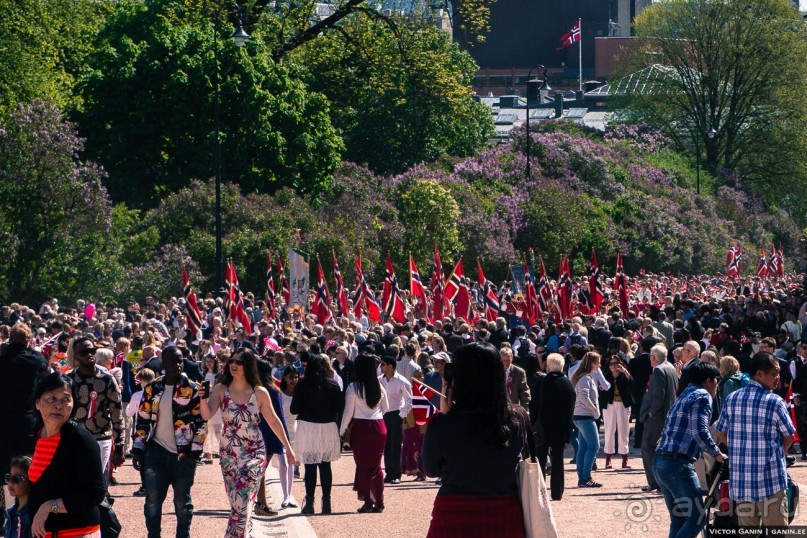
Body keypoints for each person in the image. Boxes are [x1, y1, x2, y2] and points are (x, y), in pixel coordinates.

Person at [421, 342, 526, 537]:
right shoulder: (515, 419)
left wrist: (445, 414)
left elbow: (430, 469)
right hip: (503, 513)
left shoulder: (442, 424)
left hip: (454, 514)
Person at [200, 348, 295, 537]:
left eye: (239, 362)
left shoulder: (259, 392)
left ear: (248, 365)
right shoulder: (220, 389)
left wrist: (289, 449)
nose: (234, 365)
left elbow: (274, 422)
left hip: (254, 453)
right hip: (228, 454)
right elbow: (206, 414)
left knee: (242, 503)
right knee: (237, 504)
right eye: (232, 361)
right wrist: (203, 398)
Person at [132, 346, 207, 538]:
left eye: (180, 360)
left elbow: (201, 423)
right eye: (173, 361)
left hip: (184, 456)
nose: (177, 364)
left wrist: (194, 454)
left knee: (182, 503)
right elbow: (142, 420)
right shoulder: (152, 388)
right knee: (153, 501)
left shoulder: (192, 389)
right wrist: (138, 449)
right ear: (163, 363)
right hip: (156, 453)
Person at [716, 352, 796, 528]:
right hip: (771, 481)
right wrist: (781, 451)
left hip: (741, 482)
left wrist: (738, 449)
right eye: (774, 373)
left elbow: (720, 432)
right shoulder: (774, 402)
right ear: (760, 374)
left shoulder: (732, 399)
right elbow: (789, 436)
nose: (778, 378)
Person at [28, 373, 106, 538]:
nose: (58, 405)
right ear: (37, 403)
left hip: (78, 531)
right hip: (43, 532)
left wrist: (50, 506)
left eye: (65, 399)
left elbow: (95, 493)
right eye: (51, 398)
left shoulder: (80, 439)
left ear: (73, 406)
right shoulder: (34, 435)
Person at [653, 362, 725, 538]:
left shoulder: (685, 394)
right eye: (716, 380)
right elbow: (698, 431)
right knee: (697, 519)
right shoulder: (702, 395)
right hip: (678, 463)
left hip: (661, 461)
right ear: (709, 380)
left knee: (678, 519)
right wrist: (717, 453)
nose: (716, 385)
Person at [0, 323, 49, 531]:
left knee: (5, 468)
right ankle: (27, 512)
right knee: (29, 465)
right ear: (28, 340)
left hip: (3, 422)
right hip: (28, 420)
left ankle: (8, 517)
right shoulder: (36, 361)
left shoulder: (2, 361)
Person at [66, 337, 125, 487]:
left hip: (101, 437)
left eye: (92, 351)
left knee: (95, 481)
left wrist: (119, 447)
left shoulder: (107, 379)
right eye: (84, 352)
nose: (89, 355)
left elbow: (117, 414)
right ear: (76, 356)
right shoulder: (68, 380)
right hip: (74, 439)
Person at [290, 355, 343, 515]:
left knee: (310, 466)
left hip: (308, 426)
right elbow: (339, 407)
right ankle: (326, 502)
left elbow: (294, 409)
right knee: (325, 466)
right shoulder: (333, 384)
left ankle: (310, 502)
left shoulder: (303, 384)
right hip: (327, 426)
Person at [340, 353, 389, 513]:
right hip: (379, 426)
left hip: (361, 427)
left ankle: (368, 500)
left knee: (363, 466)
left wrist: (342, 431)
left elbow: (347, 413)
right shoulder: (379, 385)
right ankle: (379, 500)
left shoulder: (353, 387)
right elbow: (386, 407)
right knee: (376, 466)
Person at [640, 344, 678, 492]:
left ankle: (655, 482)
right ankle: (661, 481)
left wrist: (652, 413)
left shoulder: (659, 370)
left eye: (651, 356)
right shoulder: (670, 368)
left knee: (648, 447)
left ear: (654, 357)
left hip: (658, 417)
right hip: (668, 414)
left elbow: (658, 396)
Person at [538, 353, 575, 501]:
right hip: (560, 426)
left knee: (540, 459)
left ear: (548, 365)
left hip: (543, 426)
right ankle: (557, 491)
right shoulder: (567, 384)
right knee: (558, 459)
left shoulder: (543, 381)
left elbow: (537, 404)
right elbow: (570, 409)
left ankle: (540, 491)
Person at [379, 354, 412, 485]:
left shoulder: (402, 381)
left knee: (396, 445)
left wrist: (401, 414)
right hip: (383, 415)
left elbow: (409, 400)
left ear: (390, 366)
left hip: (396, 415)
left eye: (383, 364)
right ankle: (388, 473)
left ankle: (396, 474)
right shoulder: (379, 380)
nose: (381, 367)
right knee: (386, 445)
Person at [570, 352, 603, 488]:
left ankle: (582, 477)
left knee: (583, 447)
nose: (599, 365)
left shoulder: (584, 377)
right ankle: (586, 476)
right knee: (594, 446)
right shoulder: (585, 378)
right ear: (592, 364)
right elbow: (584, 398)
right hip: (585, 416)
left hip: (580, 415)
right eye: (598, 362)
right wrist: (594, 411)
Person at [600, 354, 633, 469]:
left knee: (624, 430)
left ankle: (625, 459)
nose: (613, 366)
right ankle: (608, 460)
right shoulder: (605, 376)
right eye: (611, 364)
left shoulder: (624, 375)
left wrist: (624, 371)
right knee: (609, 431)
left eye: (616, 363)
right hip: (609, 405)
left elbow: (632, 382)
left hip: (623, 405)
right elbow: (601, 390)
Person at [278, 366, 299, 507]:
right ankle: (285, 495)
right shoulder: (279, 393)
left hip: (295, 430)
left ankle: (289, 495)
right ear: (285, 377)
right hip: (281, 430)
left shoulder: (300, 393)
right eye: (291, 376)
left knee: (291, 463)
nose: (294, 379)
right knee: (283, 464)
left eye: (296, 376)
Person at [201, 354, 222, 465]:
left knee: (218, 429)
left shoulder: (219, 375)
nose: (208, 363)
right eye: (207, 361)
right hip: (205, 402)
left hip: (216, 404)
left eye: (210, 361)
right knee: (207, 429)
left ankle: (221, 453)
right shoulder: (203, 374)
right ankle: (208, 454)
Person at [4, 455, 32, 538]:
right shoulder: (11, 512)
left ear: (29, 481)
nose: (10, 483)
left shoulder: (33, 514)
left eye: (16, 479)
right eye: (9, 477)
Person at [500, 347, 531, 411]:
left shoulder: (519, 372)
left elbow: (524, 392)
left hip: (513, 408)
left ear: (512, 358)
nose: (506, 363)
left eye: (508, 360)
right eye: (503, 360)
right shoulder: (495, 371)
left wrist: (525, 410)